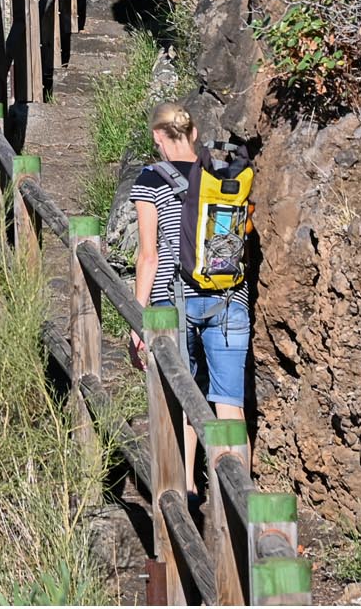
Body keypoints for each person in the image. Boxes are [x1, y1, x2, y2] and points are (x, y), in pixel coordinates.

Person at [129, 102, 250, 458]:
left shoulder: (151, 178)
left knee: (183, 395)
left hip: (174, 299)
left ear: (157, 136)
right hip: (230, 296)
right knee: (230, 408)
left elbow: (148, 256)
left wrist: (138, 320)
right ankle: (240, 507)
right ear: (194, 133)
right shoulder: (225, 176)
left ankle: (186, 489)